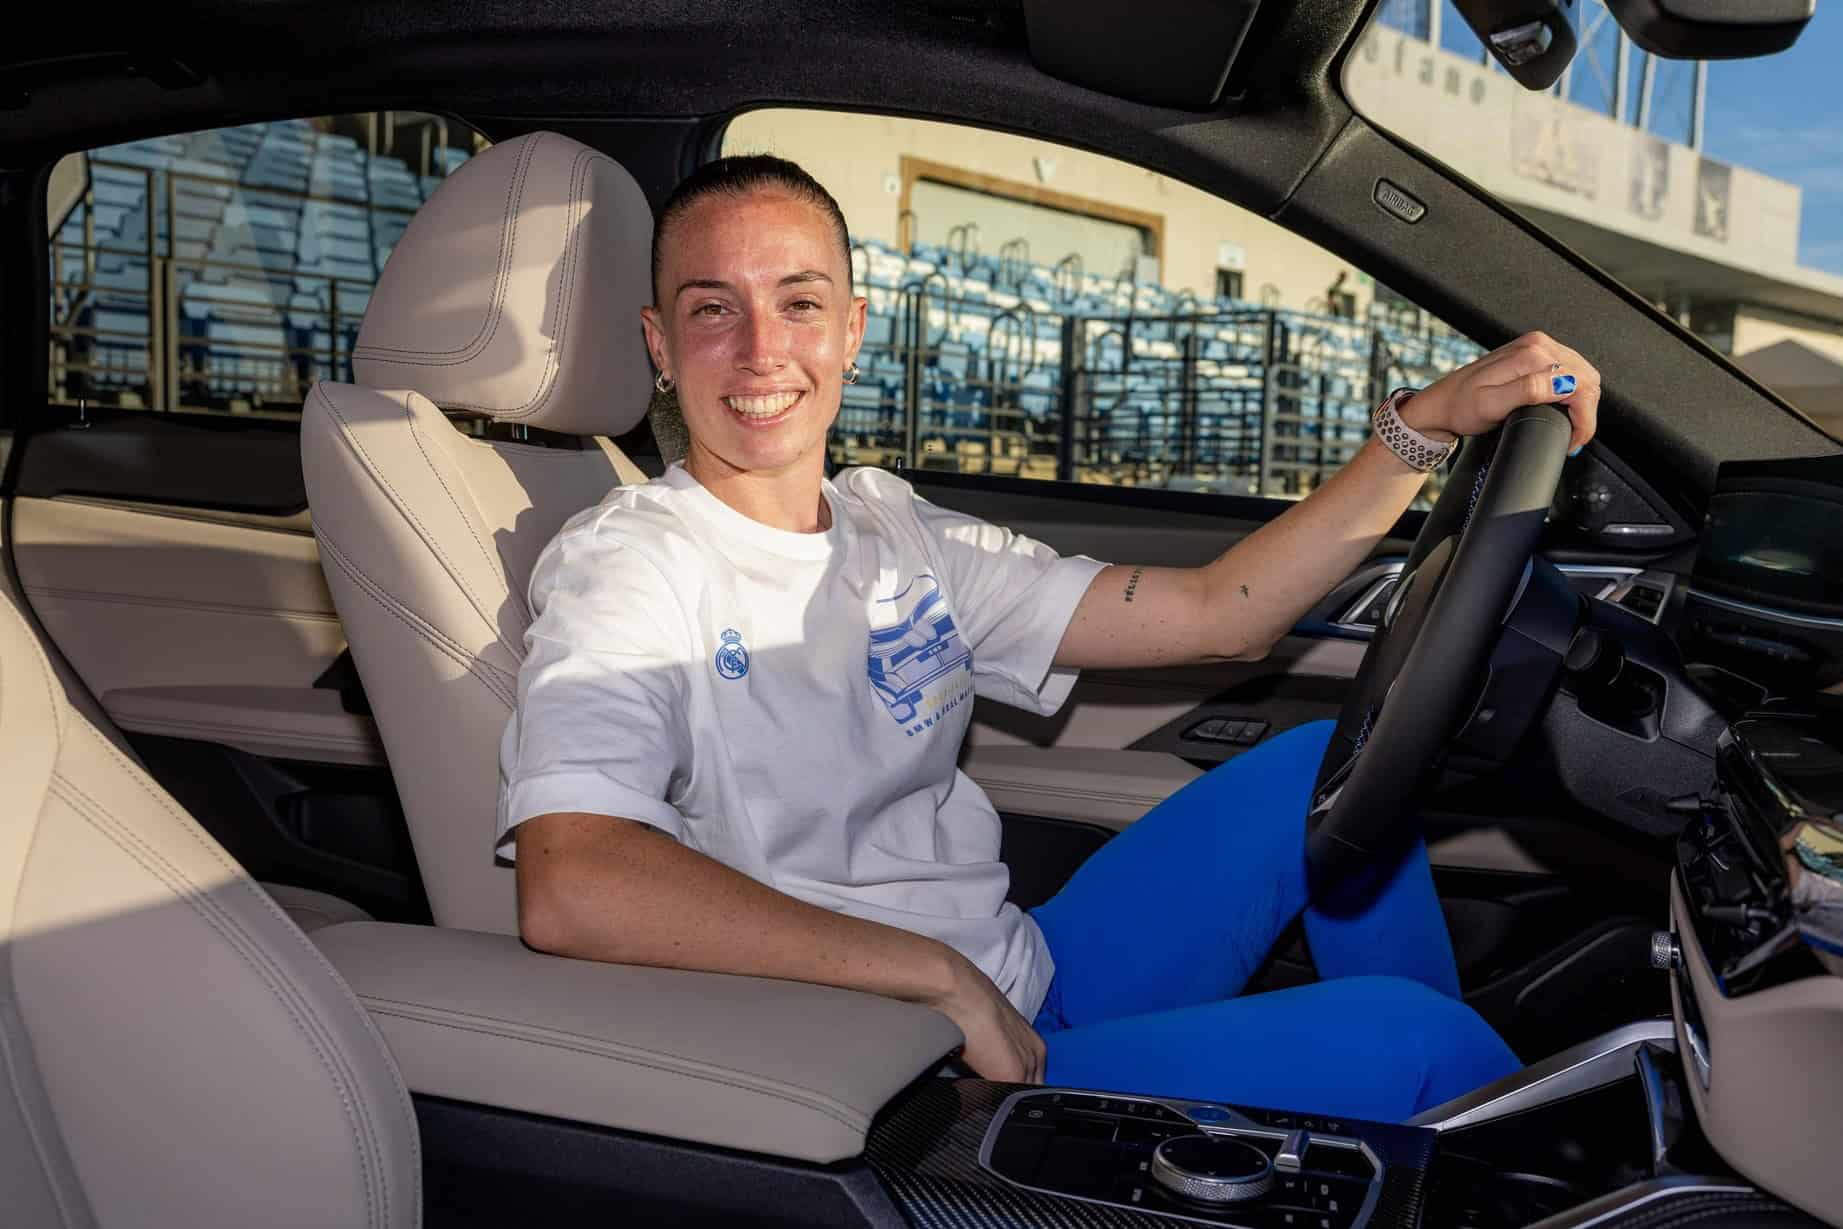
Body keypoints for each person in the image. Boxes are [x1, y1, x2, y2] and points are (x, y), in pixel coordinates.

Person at [498, 155, 1602, 1123]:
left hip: (1024, 965)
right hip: (911, 1061)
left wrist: (1422, 427)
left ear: (852, 330)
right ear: (660, 343)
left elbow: (1220, 611)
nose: (759, 349)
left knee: (1322, 769)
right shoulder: (630, 563)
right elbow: (574, 880)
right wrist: (932, 977)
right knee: (1420, 1045)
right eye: (712, 309)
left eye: (798, 302)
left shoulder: (893, 526)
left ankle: (1418, 1148)